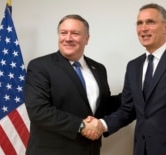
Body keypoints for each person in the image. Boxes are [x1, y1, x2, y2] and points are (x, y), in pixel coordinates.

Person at [83, 3, 166, 155]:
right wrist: (102, 124)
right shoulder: (133, 66)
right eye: (139, 23)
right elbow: (128, 109)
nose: (143, 28)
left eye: (150, 22)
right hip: (141, 149)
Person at [24, 14, 121, 155]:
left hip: (89, 151)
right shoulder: (40, 66)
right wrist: (81, 126)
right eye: (63, 33)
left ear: (87, 39)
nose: (68, 38)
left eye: (75, 33)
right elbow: (38, 111)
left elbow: (103, 106)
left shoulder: (99, 69)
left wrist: (136, 92)